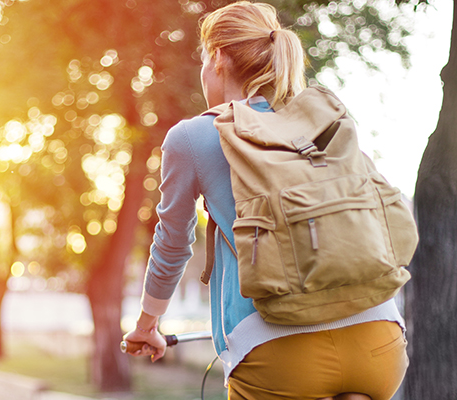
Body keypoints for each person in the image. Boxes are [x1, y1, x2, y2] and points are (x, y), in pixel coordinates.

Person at [122, 2, 408, 399]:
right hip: (380, 340)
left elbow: (172, 245)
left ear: (218, 58)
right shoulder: (319, 121)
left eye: (204, 59)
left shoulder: (194, 137)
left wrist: (147, 324)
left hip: (278, 352)